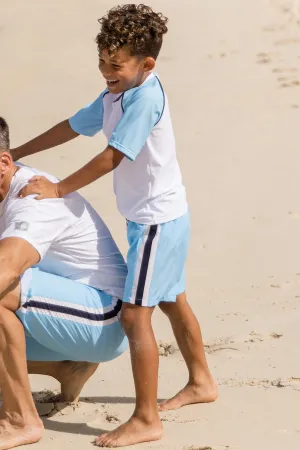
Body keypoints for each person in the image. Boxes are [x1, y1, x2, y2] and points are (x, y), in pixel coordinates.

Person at [12, 4, 218, 447]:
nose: (107, 70)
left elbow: (114, 155)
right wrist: (20, 154)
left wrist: (60, 187)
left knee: (134, 315)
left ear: (146, 63)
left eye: (116, 63)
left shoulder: (144, 98)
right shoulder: (115, 94)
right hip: (157, 217)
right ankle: (202, 381)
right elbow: (71, 127)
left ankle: (146, 418)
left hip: (156, 222)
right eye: (102, 60)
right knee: (172, 302)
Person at [0, 117, 128, 450]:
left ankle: (21, 420)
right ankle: (65, 366)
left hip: (106, 320)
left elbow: (6, 269)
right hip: (65, 313)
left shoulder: (33, 202)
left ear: (3, 163)